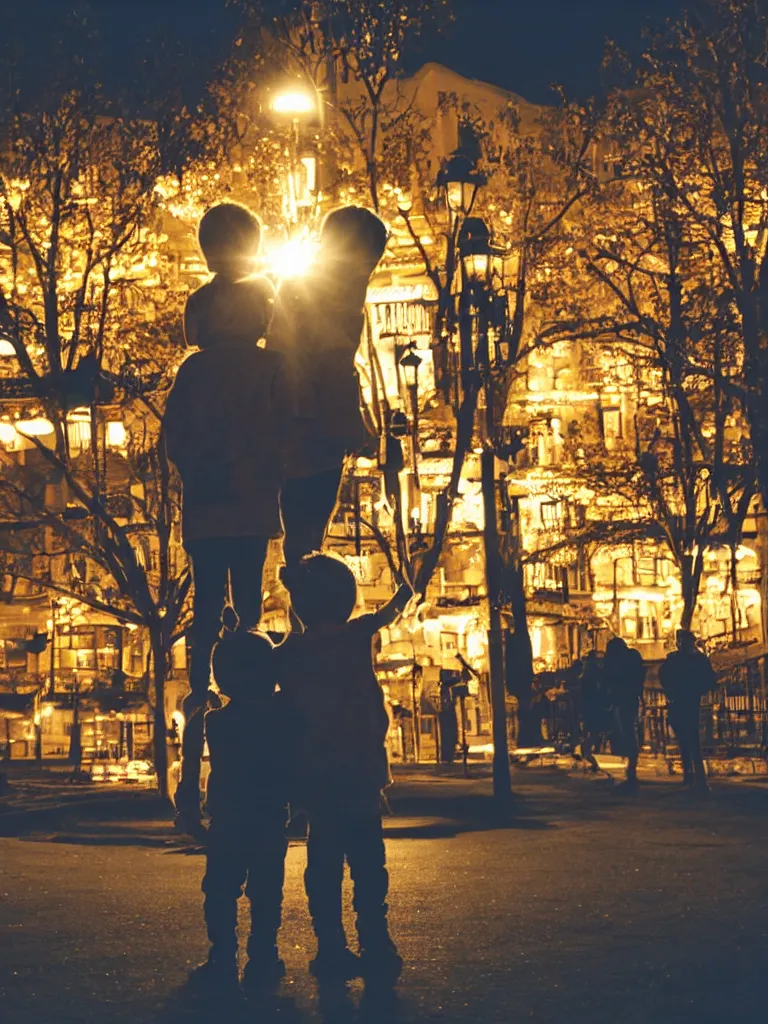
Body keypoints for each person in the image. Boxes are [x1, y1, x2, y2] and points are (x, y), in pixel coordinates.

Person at [163, 203, 289, 832]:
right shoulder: (268, 365)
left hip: (208, 505)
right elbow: (284, 430)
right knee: (248, 609)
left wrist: (202, 470)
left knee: (207, 612)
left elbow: (174, 440)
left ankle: (198, 733)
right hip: (253, 501)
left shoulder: (194, 369)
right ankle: (250, 708)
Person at [278, 553, 411, 983]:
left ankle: (330, 944)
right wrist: (406, 590)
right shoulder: (356, 637)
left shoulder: (290, 650)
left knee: (324, 863)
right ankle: (375, 938)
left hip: (315, 775)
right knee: (369, 863)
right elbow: (387, 613)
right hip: (360, 771)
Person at [269, 207, 388, 569]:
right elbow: (324, 363)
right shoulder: (329, 297)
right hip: (310, 425)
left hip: (304, 423)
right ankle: (305, 608)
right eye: (369, 261)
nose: (368, 272)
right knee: (307, 531)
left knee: (305, 531)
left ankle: (303, 605)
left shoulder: (310, 287)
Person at [193, 614, 290, 994]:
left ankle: (222, 953)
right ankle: (264, 951)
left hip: (227, 817)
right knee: (266, 889)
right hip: (268, 815)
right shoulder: (279, 716)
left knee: (220, 888)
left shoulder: (217, 722)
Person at [659, 629, 715, 791]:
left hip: (686, 700)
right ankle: (692, 775)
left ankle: (696, 777)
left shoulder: (686, 660)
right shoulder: (686, 660)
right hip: (683, 700)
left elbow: (708, 680)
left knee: (690, 738)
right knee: (686, 738)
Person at [603, 637, 646, 788]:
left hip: (621, 699)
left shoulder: (617, 661)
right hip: (630, 697)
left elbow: (608, 677)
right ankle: (631, 765)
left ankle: (630, 766)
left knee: (626, 730)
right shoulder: (633, 657)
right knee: (629, 730)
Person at [578, 651, 609, 773]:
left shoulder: (586, 675)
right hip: (595, 707)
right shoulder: (594, 675)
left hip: (589, 707)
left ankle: (589, 755)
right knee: (596, 732)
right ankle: (587, 752)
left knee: (594, 731)